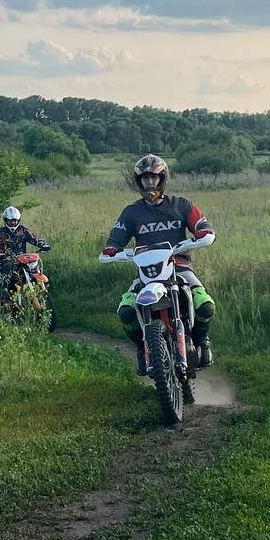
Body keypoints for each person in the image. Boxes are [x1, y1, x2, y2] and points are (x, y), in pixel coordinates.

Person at [101, 154, 216, 375]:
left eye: (153, 178)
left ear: (162, 179)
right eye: (145, 179)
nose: (149, 183)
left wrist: (204, 233)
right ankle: (141, 348)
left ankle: (201, 342)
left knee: (205, 305)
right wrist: (112, 249)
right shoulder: (131, 212)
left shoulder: (182, 205)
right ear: (139, 182)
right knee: (126, 311)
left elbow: (202, 225)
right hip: (147, 274)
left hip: (179, 267)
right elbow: (115, 239)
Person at [0, 206, 50, 297]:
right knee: (9, 279)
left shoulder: (23, 230)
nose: (13, 223)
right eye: (10, 221)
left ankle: (41, 295)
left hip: (23, 260)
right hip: (6, 261)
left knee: (34, 270)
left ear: (18, 220)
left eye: (15, 220)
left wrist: (43, 245)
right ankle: (7, 298)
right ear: (5, 220)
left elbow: (34, 239)